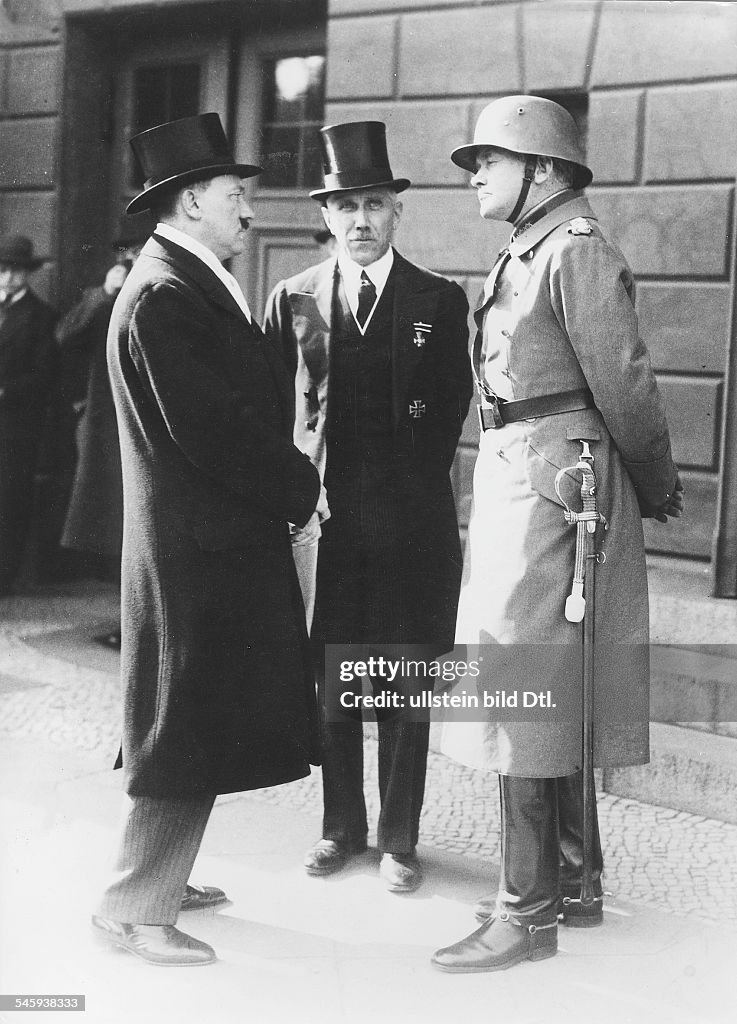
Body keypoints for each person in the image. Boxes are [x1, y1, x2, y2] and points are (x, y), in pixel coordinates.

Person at [431, 96, 683, 974]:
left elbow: (624, 382)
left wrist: (649, 483)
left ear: (540, 170)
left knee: (522, 689)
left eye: (487, 163)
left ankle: (524, 911)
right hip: (531, 476)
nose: (473, 178)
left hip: (553, 491)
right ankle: (571, 884)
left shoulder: (572, 252)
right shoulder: (533, 248)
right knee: (542, 684)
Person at [92, 112, 322, 967]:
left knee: (192, 718)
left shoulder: (177, 279)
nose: (248, 211)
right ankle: (133, 907)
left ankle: (161, 879)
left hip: (204, 540)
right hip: (200, 547)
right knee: (183, 724)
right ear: (192, 200)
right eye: (235, 196)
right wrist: (301, 485)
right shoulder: (164, 291)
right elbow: (213, 430)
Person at [264, 121, 472, 893]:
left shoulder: (436, 300)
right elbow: (268, 410)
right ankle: (339, 829)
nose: (359, 220)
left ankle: (400, 839)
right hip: (327, 525)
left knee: (402, 681)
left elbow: (451, 406)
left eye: (374, 204)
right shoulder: (294, 300)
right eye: (345, 205)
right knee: (334, 681)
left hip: (411, 525)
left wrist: (407, 489)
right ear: (325, 215)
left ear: (396, 214)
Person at [57, 214, 152, 647]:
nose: (130, 257)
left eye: (136, 248)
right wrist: (103, 295)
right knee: (117, 527)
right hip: (107, 429)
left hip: (149, 426)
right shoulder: (108, 293)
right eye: (126, 251)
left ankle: (140, 626)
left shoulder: (166, 285)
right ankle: (128, 622)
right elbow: (66, 337)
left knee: (143, 526)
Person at [0, 235, 57, 595]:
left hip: (15, 425)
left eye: (16, 272)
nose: (8, 278)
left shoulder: (41, 316)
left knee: (10, 499)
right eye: (2, 270)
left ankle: (4, 576)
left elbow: (44, 374)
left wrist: (5, 391)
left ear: (28, 274)